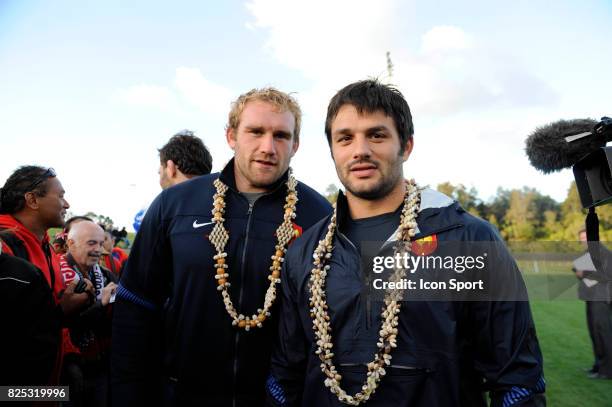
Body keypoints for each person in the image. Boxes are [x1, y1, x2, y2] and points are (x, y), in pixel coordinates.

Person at [267, 79, 546, 406]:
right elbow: (286, 373)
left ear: (407, 145)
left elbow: (517, 379)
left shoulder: (467, 239)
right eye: (345, 138)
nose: (360, 150)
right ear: (332, 150)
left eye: (377, 135)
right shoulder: (305, 251)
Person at [112, 87, 332, 406]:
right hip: (179, 395)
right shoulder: (175, 205)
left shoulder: (319, 216)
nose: (268, 146)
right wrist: (127, 394)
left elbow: (326, 326)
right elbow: (135, 305)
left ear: (295, 145)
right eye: (255, 131)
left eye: (281, 135)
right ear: (231, 136)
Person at [0, 235, 91, 386]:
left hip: (49, 377)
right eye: (91, 242)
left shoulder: (45, 247)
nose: (67, 209)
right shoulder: (12, 247)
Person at [60, 220, 118, 406]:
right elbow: (57, 323)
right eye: (91, 243)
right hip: (63, 369)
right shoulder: (54, 272)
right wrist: (100, 303)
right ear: (71, 243)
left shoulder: (106, 274)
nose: (99, 250)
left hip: (99, 365)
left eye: (101, 243)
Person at [573, 229, 612, 379]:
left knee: (604, 334)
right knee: (595, 334)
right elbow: (578, 272)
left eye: (586, 237)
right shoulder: (587, 254)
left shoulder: (603, 252)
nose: (584, 240)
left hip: (601, 299)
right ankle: (598, 366)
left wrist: (585, 273)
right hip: (591, 299)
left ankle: (607, 371)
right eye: (581, 237)